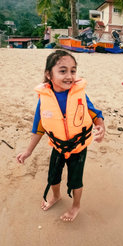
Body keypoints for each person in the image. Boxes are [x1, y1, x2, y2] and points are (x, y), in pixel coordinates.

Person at [16, 50, 105, 222]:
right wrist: (28, 151)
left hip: (78, 147)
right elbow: (38, 128)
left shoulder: (79, 93)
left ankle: (76, 206)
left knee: (75, 181)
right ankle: (56, 196)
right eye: (62, 71)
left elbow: (95, 113)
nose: (69, 76)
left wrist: (101, 127)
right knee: (53, 177)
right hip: (58, 146)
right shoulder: (44, 99)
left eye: (73, 70)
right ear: (49, 74)